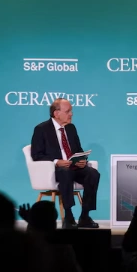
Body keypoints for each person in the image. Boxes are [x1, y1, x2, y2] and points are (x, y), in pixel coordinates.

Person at [31, 98, 100, 229]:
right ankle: (68, 217)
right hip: (55, 170)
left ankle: (85, 216)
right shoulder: (41, 129)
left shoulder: (71, 128)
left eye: (71, 111)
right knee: (65, 171)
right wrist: (57, 162)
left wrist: (82, 160)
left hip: (74, 167)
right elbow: (37, 155)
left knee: (93, 174)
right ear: (56, 113)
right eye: (68, 111)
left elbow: (78, 150)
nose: (71, 114)